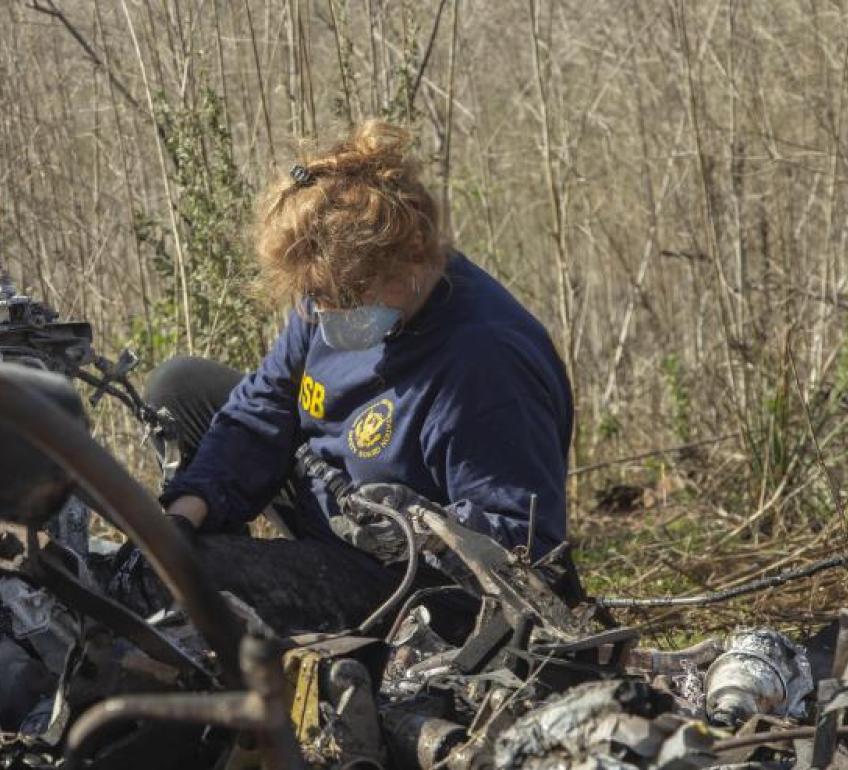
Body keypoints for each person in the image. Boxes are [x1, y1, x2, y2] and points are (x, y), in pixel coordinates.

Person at [111, 120, 574, 636]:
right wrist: (182, 513)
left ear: (411, 260)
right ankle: (242, 567)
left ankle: (271, 600)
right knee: (181, 389)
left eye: (344, 298)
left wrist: (417, 529)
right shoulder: (329, 297)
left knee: (193, 580)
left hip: (410, 581)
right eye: (315, 298)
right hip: (330, 498)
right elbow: (262, 407)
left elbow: (525, 544)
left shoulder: (484, 362)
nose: (324, 313)